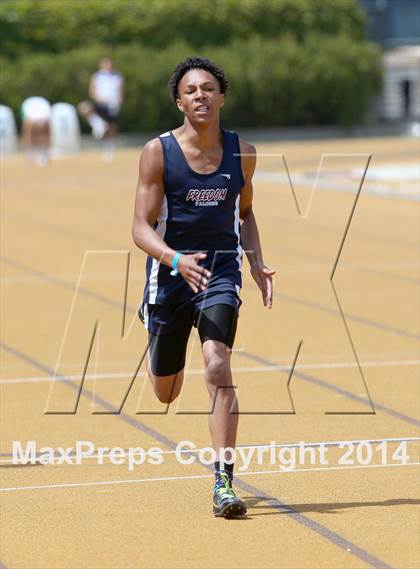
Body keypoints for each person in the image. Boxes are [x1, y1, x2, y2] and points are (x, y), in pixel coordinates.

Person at [132, 56, 275, 518]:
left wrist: (255, 262)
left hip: (220, 274)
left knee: (217, 364)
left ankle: (223, 482)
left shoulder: (243, 152)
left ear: (222, 97)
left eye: (208, 88)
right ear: (179, 101)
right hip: (171, 274)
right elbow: (139, 226)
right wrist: (173, 258)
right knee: (166, 391)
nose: (200, 96)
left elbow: (245, 212)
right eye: (191, 90)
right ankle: (151, 319)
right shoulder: (158, 152)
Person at [78, 57, 124, 161]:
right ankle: (98, 124)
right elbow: (92, 91)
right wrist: (99, 99)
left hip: (113, 105)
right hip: (100, 103)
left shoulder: (117, 76)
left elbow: (120, 91)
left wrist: (118, 102)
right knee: (84, 108)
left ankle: (109, 149)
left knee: (112, 127)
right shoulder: (97, 76)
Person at [20, 96, 52, 166]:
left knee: (43, 132)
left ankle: (44, 154)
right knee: (28, 132)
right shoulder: (29, 108)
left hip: (42, 118)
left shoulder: (44, 109)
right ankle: (30, 155)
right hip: (33, 118)